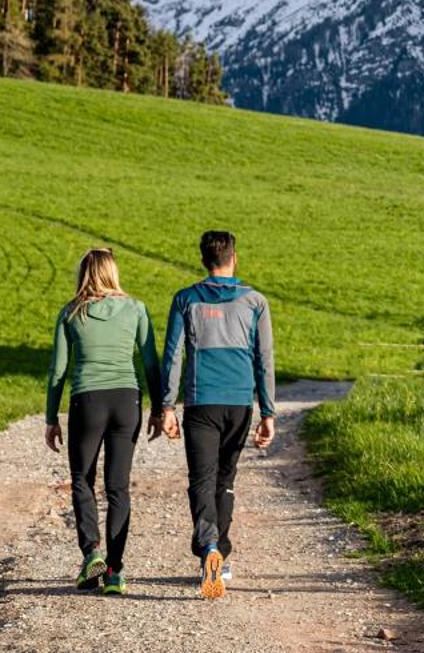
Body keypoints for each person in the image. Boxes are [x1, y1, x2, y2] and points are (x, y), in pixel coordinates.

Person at [160, 229, 276, 601]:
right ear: (233, 258)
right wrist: (268, 412)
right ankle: (220, 557)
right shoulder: (256, 301)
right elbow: (264, 360)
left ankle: (210, 547)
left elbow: (173, 355)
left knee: (201, 479)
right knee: (225, 479)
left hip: (200, 402)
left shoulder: (186, 300)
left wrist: (166, 406)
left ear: (203, 260)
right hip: (239, 403)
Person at [44, 247, 163, 597]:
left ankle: (91, 551)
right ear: (113, 271)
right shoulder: (136, 309)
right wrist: (159, 409)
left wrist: (51, 417)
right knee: (118, 487)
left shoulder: (71, 313)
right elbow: (151, 363)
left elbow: (58, 370)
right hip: (127, 399)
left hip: (88, 400)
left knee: (82, 479)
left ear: (84, 274)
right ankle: (114, 571)